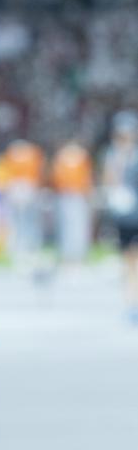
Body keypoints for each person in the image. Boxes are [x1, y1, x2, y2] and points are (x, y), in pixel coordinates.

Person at [101, 110, 138, 323]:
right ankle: (129, 303)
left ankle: (134, 301)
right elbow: (109, 181)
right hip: (123, 214)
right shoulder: (112, 155)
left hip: (136, 212)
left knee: (135, 259)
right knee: (127, 260)